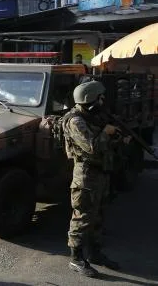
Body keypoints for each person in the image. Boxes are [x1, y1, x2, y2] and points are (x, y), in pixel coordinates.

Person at [62, 81, 127, 278]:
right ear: (90, 99)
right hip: (85, 174)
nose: (103, 100)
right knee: (82, 216)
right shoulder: (75, 121)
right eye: (100, 97)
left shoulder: (93, 116)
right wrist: (107, 133)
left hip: (100, 172)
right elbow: (92, 146)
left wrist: (118, 138)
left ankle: (94, 252)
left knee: (98, 214)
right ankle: (76, 258)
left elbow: (105, 143)